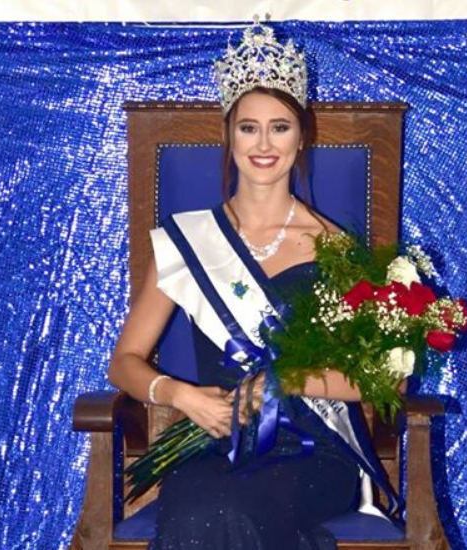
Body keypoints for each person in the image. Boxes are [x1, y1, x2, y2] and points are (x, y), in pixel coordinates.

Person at [108, 19, 394, 550]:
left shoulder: (336, 249)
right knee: (195, 506)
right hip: (216, 437)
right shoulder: (189, 240)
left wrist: (287, 380)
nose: (264, 143)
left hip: (314, 447)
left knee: (223, 510)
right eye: (248, 127)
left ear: (302, 135)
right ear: (227, 134)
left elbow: (371, 381)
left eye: (280, 127)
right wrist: (178, 395)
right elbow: (124, 360)